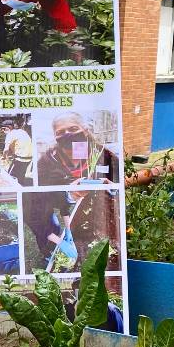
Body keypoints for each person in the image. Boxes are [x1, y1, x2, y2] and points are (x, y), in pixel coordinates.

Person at [23, 112, 121, 270]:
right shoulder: (45, 165)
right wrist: (58, 241)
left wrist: (113, 190)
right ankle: (49, 255)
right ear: (55, 137)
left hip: (91, 222)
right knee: (53, 240)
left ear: (86, 130)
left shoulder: (105, 157)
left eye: (73, 128)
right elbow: (34, 208)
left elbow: (119, 190)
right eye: (60, 132)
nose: (67, 135)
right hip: (50, 220)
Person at [1, 119, 34, 186]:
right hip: (30, 158)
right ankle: (21, 186)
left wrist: (3, 157)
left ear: (9, 127)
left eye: (4, 129)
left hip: (21, 158)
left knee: (10, 176)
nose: (3, 131)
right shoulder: (22, 131)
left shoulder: (10, 134)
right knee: (21, 174)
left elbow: (6, 149)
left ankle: (14, 190)